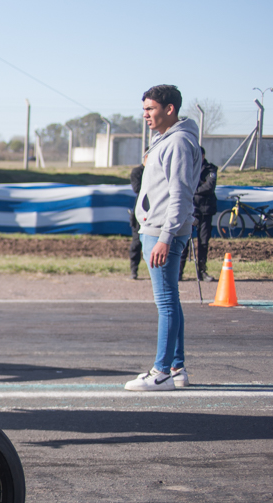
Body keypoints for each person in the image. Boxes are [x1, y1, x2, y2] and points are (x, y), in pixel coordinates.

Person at [125, 84, 200, 392]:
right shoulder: (166, 139)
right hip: (157, 229)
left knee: (166, 303)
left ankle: (162, 372)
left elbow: (180, 194)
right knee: (171, 300)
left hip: (162, 232)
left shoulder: (178, 142)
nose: (145, 114)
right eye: (144, 109)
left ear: (170, 109)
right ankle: (177, 367)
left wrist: (166, 238)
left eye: (151, 109)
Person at [180, 147, 217, 282]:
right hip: (190, 209)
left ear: (203, 156)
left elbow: (209, 187)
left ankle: (201, 272)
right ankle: (179, 272)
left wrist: (193, 189)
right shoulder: (186, 168)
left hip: (205, 211)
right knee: (184, 240)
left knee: (203, 242)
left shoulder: (210, 169)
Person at [129, 163, 145, 280]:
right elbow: (137, 188)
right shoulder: (137, 172)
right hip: (140, 213)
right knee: (136, 243)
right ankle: (134, 270)